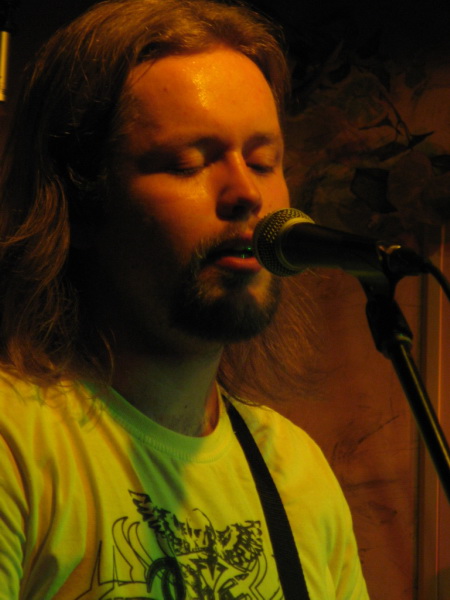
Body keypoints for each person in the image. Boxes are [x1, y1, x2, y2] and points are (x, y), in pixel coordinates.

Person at [0, 0, 370, 598]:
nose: (246, 193)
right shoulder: (16, 446)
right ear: (79, 201)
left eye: (263, 161)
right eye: (187, 163)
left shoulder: (294, 471)